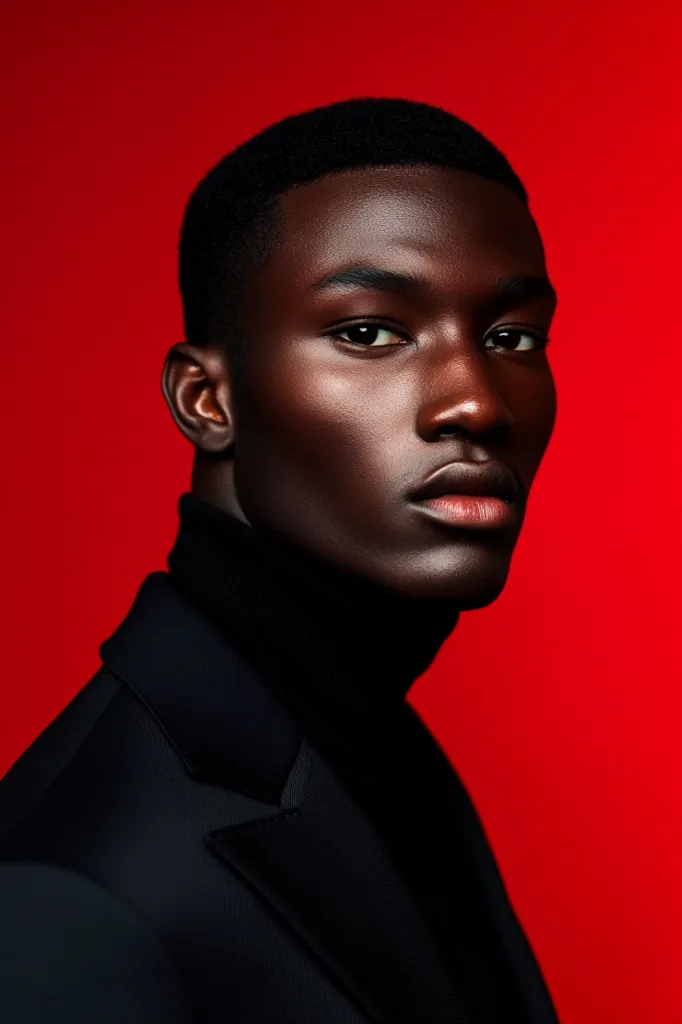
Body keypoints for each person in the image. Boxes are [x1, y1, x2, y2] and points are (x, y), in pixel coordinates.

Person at [0, 97, 561, 1023]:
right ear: (207, 400)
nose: (475, 401)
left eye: (512, 338)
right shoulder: (60, 897)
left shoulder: (376, 753)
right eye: (371, 331)